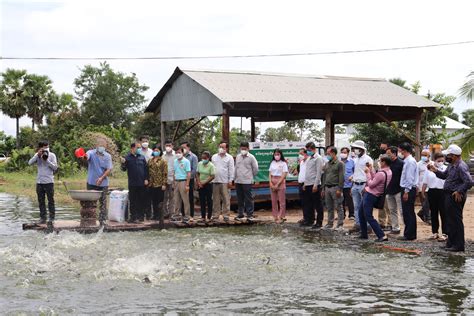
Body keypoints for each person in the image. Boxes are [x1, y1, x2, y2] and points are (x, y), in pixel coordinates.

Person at [429, 144, 472, 252]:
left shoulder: (461, 166)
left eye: (448, 155)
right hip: (448, 195)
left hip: (455, 196)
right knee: (450, 220)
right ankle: (451, 243)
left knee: (456, 220)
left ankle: (458, 245)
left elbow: (469, 182)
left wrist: (459, 191)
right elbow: (444, 176)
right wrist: (435, 170)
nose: (446, 157)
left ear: (454, 156)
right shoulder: (452, 165)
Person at [359, 155, 392, 242]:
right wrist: (371, 171)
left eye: (380, 161)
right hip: (373, 194)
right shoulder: (388, 172)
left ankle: (381, 235)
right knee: (361, 214)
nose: (379, 163)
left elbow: (371, 184)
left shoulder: (381, 173)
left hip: (371, 195)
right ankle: (363, 234)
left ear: (384, 162)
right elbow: (376, 179)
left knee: (368, 216)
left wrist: (367, 173)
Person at [82, 138, 113, 226]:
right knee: (89, 202)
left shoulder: (108, 156)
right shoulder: (91, 153)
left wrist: (101, 178)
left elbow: (109, 169)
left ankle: (102, 221)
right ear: (96, 146)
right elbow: (86, 157)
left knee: (103, 203)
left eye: (104, 146)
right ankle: (89, 220)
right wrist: (84, 157)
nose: (102, 147)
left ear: (106, 147)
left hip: (103, 183)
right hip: (91, 182)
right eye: (100, 146)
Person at [28, 141, 58, 224]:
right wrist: (38, 155)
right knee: (41, 201)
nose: (46, 149)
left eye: (47, 147)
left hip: (49, 181)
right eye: (44, 147)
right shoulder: (37, 155)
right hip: (39, 182)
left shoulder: (52, 155)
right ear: (40, 148)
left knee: (50, 200)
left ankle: (52, 218)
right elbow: (29, 163)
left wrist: (47, 160)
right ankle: (43, 218)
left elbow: (55, 168)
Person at [422, 152, 447, 241]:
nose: (440, 162)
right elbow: (425, 182)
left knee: (444, 213)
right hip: (432, 192)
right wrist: (423, 192)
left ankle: (445, 233)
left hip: (443, 192)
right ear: (434, 160)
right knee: (433, 213)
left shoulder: (445, 169)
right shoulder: (429, 169)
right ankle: (434, 232)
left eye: (442, 160)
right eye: (438, 160)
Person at [121, 143, 149, 223]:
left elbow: (146, 169)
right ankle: (133, 217)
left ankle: (141, 216)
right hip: (132, 183)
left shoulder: (142, 157)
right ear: (132, 148)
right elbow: (123, 169)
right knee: (133, 200)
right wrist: (123, 163)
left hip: (142, 183)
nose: (140, 149)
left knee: (141, 200)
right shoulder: (127, 158)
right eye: (138, 148)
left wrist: (146, 179)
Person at [349, 140, 373, 232]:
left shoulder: (368, 159)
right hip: (355, 184)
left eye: (356, 148)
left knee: (365, 206)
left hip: (364, 184)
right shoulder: (356, 159)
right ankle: (358, 224)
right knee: (356, 206)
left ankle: (367, 226)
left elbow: (370, 172)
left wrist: (367, 186)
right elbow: (356, 172)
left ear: (362, 149)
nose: (355, 150)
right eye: (354, 148)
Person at [398, 142, 418, 241]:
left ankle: (410, 234)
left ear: (404, 150)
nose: (399, 152)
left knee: (408, 212)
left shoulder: (410, 161)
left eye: (400, 150)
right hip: (407, 188)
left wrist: (406, 191)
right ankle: (409, 233)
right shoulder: (407, 160)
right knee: (407, 212)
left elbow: (409, 178)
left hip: (408, 189)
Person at [302, 141, 324, 228]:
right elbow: (308, 172)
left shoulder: (318, 158)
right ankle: (310, 220)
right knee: (309, 204)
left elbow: (319, 172)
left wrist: (315, 184)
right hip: (308, 184)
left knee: (317, 204)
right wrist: (305, 183)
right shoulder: (309, 158)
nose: (308, 151)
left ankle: (319, 222)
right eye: (307, 150)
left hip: (315, 184)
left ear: (314, 149)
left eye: (309, 150)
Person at [234, 142, 259, 220]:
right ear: (240, 148)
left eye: (245, 149)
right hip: (238, 181)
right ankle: (240, 214)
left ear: (248, 149)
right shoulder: (238, 157)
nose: (243, 150)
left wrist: (251, 177)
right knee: (239, 198)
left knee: (248, 198)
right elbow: (236, 168)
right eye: (242, 149)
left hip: (247, 181)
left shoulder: (252, 157)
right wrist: (234, 178)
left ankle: (249, 215)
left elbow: (255, 169)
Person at [322, 146, 344, 229]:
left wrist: (340, 189)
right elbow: (324, 176)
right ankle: (329, 223)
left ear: (334, 153)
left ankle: (340, 224)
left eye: (328, 153)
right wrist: (323, 188)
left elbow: (341, 177)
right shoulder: (327, 164)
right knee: (329, 207)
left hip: (335, 188)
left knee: (338, 206)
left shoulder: (340, 164)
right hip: (327, 187)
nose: (327, 155)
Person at [211, 141, 235, 221]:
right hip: (215, 181)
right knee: (215, 199)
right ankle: (215, 215)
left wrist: (230, 180)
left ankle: (226, 215)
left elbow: (231, 170)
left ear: (226, 148)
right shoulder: (214, 157)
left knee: (226, 199)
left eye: (223, 147)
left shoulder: (230, 157)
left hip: (225, 181)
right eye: (220, 147)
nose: (221, 148)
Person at [385, 146, 404, 235]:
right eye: (387, 154)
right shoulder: (387, 164)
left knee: (401, 210)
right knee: (392, 210)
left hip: (399, 190)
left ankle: (407, 230)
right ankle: (395, 228)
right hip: (389, 190)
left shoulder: (401, 163)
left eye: (389, 154)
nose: (387, 155)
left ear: (394, 153)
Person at [147, 145, 168, 221]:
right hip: (151, 184)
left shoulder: (163, 161)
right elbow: (148, 171)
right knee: (153, 200)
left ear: (160, 152)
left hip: (160, 184)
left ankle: (160, 215)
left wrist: (164, 183)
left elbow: (165, 173)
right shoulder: (150, 160)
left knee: (160, 201)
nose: (156, 152)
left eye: (157, 150)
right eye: (154, 150)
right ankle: (155, 215)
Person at [269, 149, 288, 223]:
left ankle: (281, 216)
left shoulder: (283, 163)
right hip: (272, 180)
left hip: (280, 181)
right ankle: (275, 216)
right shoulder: (272, 162)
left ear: (281, 155)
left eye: (278, 154)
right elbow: (269, 173)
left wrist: (277, 184)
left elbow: (284, 174)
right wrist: (270, 182)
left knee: (281, 201)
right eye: (275, 154)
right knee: (273, 201)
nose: (276, 156)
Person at [172, 147, 192, 222]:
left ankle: (187, 215)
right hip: (176, 181)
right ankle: (177, 214)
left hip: (183, 181)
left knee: (185, 199)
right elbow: (174, 172)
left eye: (179, 152)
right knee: (176, 199)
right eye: (176, 152)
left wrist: (187, 184)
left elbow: (188, 173)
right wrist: (174, 182)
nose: (178, 154)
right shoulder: (175, 161)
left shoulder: (186, 161)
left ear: (183, 153)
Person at [181, 141, 198, 218]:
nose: (183, 149)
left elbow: (194, 169)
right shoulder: (180, 156)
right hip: (181, 179)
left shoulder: (193, 157)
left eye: (184, 147)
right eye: (182, 148)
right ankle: (183, 213)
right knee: (182, 197)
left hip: (189, 180)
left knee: (190, 197)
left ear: (188, 147)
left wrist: (188, 178)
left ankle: (191, 214)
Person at [196, 151, 215, 221]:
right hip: (200, 184)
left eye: (205, 158)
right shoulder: (199, 164)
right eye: (202, 158)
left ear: (208, 158)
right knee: (202, 200)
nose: (203, 159)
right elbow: (197, 173)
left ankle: (209, 216)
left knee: (209, 200)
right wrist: (198, 182)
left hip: (208, 184)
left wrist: (204, 183)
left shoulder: (211, 165)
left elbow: (212, 176)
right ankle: (203, 216)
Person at [417, 149, 431, 224]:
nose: (423, 156)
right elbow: (416, 176)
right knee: (425, 203)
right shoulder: (418, 164)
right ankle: (428, 218)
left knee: (431, 202)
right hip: (421, 187)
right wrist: (416, 186)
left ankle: (421, 213)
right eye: (422, 155)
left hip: (431, 186)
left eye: (425, 155)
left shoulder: (432, 163)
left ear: (429, 156)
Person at [340, 147, 355, 220]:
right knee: (340, 201)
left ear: (348, 153)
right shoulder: (338, 162)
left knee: (350, 201)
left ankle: (351, 214)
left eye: (345, 152)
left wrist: (352, 177)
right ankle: (342, 215)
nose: (343, 154)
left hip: (349, 185)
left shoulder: (352, 161)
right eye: (342, 152)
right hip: (340, 185)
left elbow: (355, 172)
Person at [162, 140, 176, 218]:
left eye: (169, 145)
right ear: (164, 146)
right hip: (164, 179)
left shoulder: (175, 155)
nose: (168, 147)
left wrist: (175, 180)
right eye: (166, 145)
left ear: (172, 146)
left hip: (173, 179)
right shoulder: (162, 156)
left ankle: (172, 213)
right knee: (164, 197)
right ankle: (164, 213)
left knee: (172, 197)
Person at [297, 148, 308, 223]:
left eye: (301, 154)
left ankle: (309, 218)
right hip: (300, 183)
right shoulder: (301, 162)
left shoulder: (308, 162)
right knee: (303, 202)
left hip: (306, 184)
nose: (300, 156)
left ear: (305, 154)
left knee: (308, 202)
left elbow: (309, 174)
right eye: (299, 154)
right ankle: (305, 217)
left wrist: (305, 183)